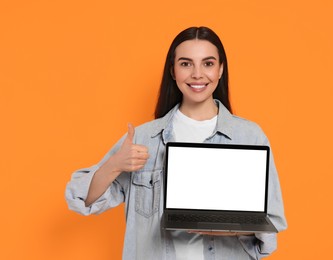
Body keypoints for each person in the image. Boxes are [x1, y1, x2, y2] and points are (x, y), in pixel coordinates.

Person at [65, 26, 287, 260]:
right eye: (186, 63)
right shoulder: (143, 138)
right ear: (173, 70)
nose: (197, 74)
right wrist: (115, 164)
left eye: (208, 63)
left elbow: (271, 225)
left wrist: (223, 225)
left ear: (221, 69)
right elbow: (81, 199)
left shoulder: (249, 136)